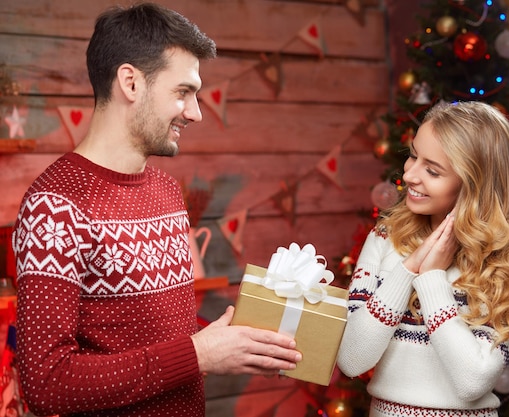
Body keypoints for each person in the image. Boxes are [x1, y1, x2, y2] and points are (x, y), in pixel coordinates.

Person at [11, 3, 301, 417]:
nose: (196, 112)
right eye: (183, 92)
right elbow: (47, 383)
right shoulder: (55, 206)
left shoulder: (165, 190)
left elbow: (152, 337)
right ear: (130, 82)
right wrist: (198, 355)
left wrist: (228, 344)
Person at [337, 101, 509, 417]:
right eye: (414, 156)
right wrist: (408, 269)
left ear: (475, 185)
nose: (410, 175)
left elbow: (472, 381)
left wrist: (431, 279)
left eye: (432, 170)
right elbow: (351, 359)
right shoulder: (385, 237)